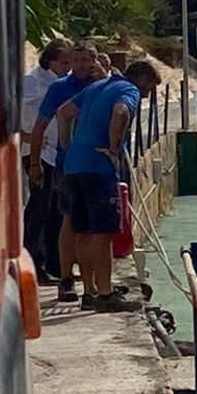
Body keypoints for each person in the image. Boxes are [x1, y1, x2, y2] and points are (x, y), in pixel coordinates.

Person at [55, 58, 158, 312]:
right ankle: (105, 294)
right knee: (103, 233)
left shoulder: (96, 86)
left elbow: (63, 112)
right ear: (141, 79)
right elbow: (121, 112)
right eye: (149, 88)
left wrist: (68, 145)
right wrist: (114, 148)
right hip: (98, 169)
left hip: (74, 166)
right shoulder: (128, 90)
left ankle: (89, 292)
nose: (148, 94)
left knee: (83, 231)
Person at [29, 39, 106, 301]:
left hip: (100, 166)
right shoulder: (59, 88)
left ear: (95, 61)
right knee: (70, 222)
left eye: (87, 60)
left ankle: (93, 284)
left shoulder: (102, 86)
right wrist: (35, 162)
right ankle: (66, 278)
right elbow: (40, 125)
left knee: (97, 228)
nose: (82, 65)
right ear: (70, 62)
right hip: (67, 165)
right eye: (77, 60)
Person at [20, 40, 71, 280]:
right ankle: (34, 262)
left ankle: (55, 263)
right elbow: (19, 112)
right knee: (38, 208)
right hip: (35, 151)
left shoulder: (62, 83)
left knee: (54, 210)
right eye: (64, 62)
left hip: (54, 152)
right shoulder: (33, 81)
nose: (67, 67)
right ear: (50, 60)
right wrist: (29, 137)